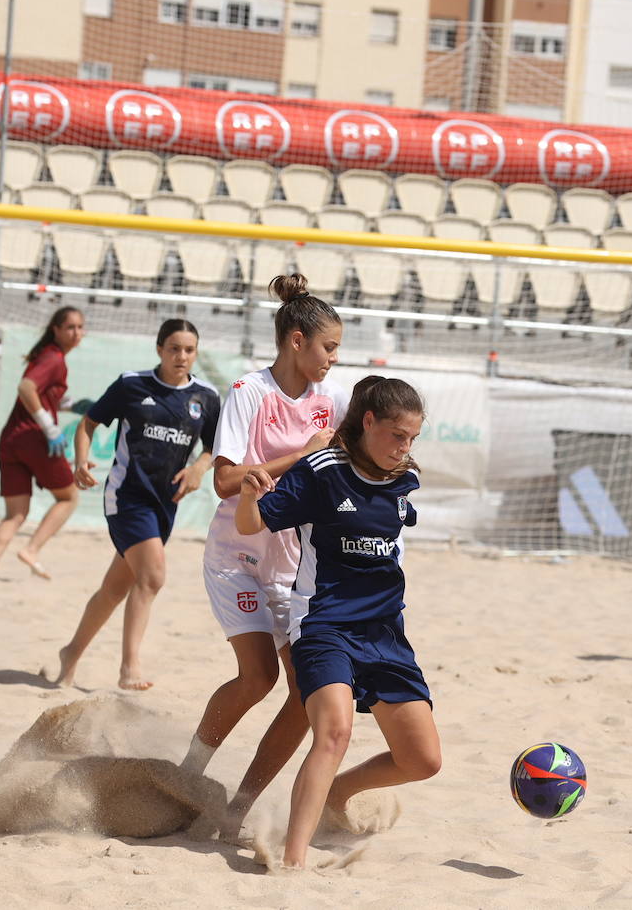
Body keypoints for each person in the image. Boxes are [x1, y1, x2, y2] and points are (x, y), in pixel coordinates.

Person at [236, 376, 439, 868]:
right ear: (368, 422)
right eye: (397, 435)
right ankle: (293, 862)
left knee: (423, 760)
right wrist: (248, 493)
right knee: (334, 734)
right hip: (324, 626)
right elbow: (251, 523)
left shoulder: (403, 480)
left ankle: (337, 792)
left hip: (386, 634)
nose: (404, 447)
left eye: (412, 437)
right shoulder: (323, 471)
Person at [179, 273, 349, 830]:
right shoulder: (249, 393)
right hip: (236, 555)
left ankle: (238, 807)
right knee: (257, 679)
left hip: (291, 566)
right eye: (328, 347)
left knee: (306, 693)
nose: (332, 360)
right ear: (296, 340)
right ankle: (188, 775)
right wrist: (299, 456)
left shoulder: (329, 401)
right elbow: (225, 482)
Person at [55, 319, 221, 690]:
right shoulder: (133, 385)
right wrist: (81, 461)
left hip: (165, 504)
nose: (182, 356)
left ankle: (71, 653)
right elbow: (88, 423)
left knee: (115, 589)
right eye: (174, 348)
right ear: (159, 349)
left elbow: (215, 447)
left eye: (189, 350)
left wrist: (198, 467)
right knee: (153, 576)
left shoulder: (206, 398)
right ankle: (129, 668)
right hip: (127, 497)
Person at [0, 306, 87, 581]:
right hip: (34, 439)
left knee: (15, 514)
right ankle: (32, 550)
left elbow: (44, 394)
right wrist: (49, 427)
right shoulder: (54, 358)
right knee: (69, 496)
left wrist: (77, 406)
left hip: (11, 440)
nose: (76, 333)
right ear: (56, 330)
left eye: (80, 327)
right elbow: (26, 388)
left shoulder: (47, 356)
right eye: (70, 327)